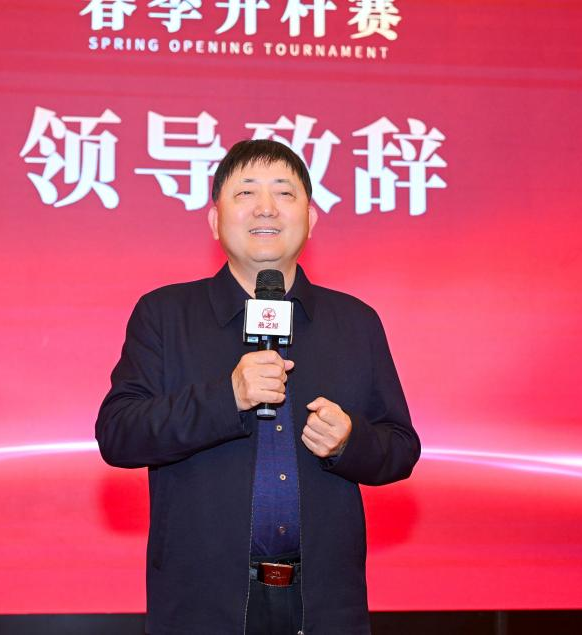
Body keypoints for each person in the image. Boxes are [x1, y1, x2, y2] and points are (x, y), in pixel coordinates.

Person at [96, 139, 420, 635]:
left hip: (324, 605)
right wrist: (226, 397)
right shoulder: (164, 314)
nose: (266, 207)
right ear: (214, 220)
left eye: (284, 193)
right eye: (246, 192)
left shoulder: (355, 322)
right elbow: (118, 435)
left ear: (311, 219)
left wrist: (349, 441)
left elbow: (400, 448)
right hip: (202, 606)